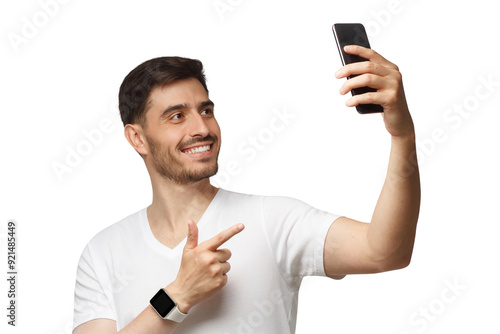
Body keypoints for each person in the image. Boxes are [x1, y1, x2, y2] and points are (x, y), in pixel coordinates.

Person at [72, 45, 420, 334]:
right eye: (177, 116)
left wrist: (402, 135)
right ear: (137, 138)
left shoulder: (273, 220)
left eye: (205, 110)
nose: (201, 128)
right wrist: (176, 297)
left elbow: (385, 251)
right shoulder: (103, 253)